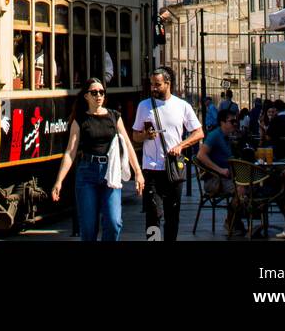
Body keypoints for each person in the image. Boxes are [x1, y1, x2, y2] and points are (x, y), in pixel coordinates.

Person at [52, 77, 144, 242]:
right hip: (87, 172)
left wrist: (138, 172)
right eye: (94, 93)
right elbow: (70, 152)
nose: (99, 96)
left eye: (101, 92)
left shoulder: (114, 116)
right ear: (86, 96)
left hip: (110, 172)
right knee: (88, 228)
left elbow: (128, 145)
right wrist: (59, 181)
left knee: (114, 222)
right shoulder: (80, 120)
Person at [133, 68, 203, 242]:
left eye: (157, 85)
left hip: (173, 168)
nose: (153, 88)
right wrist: (145, 136)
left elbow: (199, 133)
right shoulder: (144, 106)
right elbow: (135, 135)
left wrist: (181, 145)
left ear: (168, 84)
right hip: (151, 168)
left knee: (172, 214)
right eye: (151, 84)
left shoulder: (182, 106)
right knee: (153, 214)